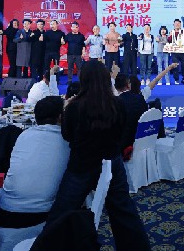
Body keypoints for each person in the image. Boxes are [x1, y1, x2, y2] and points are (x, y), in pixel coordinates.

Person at [43, 61, 151, 250]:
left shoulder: (74, 107)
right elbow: (121, 132)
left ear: (83, 80)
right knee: (124, 212)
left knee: (62, 211)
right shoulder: (118, 104)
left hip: (81, 166)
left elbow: (67, 135)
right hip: (112, 162)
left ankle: (47, 246)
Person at [0, 97, 70, 232]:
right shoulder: (67, 141)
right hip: (40, 216)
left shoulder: (24, 135)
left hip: (3, 210)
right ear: (60, 117)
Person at [115, 74, 149, 155]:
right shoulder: (140, 98)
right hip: (143, 140)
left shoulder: (115, 103)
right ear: (128, 85)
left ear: (115, 87)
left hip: (123, 145)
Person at [168, 19, 184, 85]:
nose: (177, 25)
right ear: (173, 25)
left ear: (180, 25)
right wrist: (170, 35)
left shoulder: (183, 32)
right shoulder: (172, 32)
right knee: (175, 66)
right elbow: (169, 41)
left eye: (178, 24)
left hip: (182, 52)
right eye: (176, 24)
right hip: (174, 52)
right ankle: (176, 79)